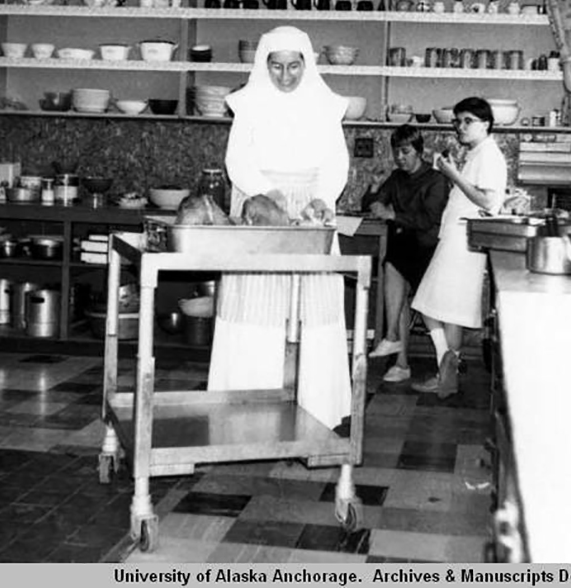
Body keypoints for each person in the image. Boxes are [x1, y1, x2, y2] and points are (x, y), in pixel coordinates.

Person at [207, 25, 351, 430]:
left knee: (312, 302)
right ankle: (247, 414)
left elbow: (336, 163)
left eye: (293, 67)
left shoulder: (324, 107)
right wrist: (269, 194)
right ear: (263, 65)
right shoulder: (249, 106)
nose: (285, 76)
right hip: (261, 212)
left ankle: (314, 409)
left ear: (307, 64)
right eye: (276, 67)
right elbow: (237, 162)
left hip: (310, 215)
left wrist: (323, 197)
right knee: (256, 301)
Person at [411, 96, 508, 399]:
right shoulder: (478, 153)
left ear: (486, 124)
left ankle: (446, 373)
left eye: (467, 121)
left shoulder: (489, 155)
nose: (460, 127)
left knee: (438, 307)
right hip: (458, 237)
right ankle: (447, 370)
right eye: (457, 121)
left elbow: (488, 200)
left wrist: (452, 175)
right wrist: (456, 173)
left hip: (463, 240)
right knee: (437, 306)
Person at [361, 124, 448, 383]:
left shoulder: (436, 179)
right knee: (394, 277)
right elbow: (367, 205)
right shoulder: (397, 178)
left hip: (428, 249)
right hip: (405, 246)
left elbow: (429, 219)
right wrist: (375, 189)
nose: (400, 157)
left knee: (421, 305)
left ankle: (395, 343)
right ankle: (399, 359)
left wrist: (392, 214)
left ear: (418, 151)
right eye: (396, 152)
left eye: (405, 151)